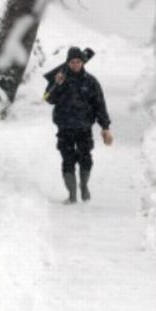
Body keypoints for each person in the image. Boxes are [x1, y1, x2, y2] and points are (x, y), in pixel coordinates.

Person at [43, 46, 113, 204]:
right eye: (72, 62)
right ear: (68, 63)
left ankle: (84, 185)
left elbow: (100, 105)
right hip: (65, 127)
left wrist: (105, 127)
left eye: (78, 62)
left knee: (85, 158)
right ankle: (72, 194)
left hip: (84, 127)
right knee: (67, 160)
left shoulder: (91, 82)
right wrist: (57, 85)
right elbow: (48, 99)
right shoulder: (60, 79)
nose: (75, 64)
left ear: (83, 63)